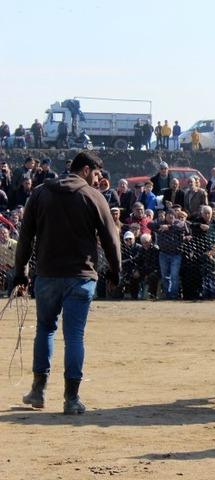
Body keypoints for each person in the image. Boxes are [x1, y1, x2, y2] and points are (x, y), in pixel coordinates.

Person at [14, 151, 121, 415]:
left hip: (47, 275)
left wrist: (21, 272)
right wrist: (116, 271)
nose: (98, 180)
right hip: (81, 277)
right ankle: (71, 399)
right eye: (96, 174)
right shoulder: (93, 197)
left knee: (46, 330)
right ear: (85, 170)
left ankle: (38, 391)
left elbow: (25, 236)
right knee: (74, 336)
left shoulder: (39, 193)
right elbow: (111, 238)